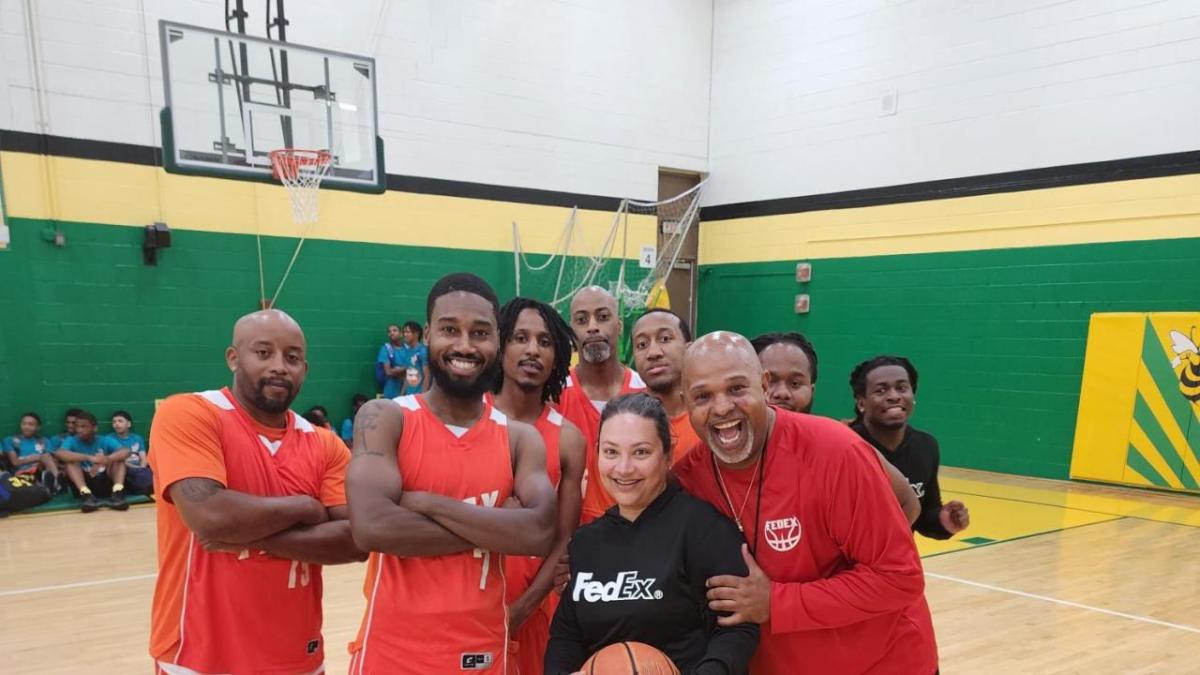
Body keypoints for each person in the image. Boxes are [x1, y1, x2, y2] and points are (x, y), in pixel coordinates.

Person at [674, 332, 938, 675]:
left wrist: (776, 602)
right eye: (703, 396)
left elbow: (899, 579)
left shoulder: (835, 451)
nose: (722, 407)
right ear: (686, 402)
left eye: (737, 388)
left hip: (883, 662)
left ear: (763, 384)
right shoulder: (687, 479)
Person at [346, 273, 557, 674]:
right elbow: (371, 527)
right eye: (449, 330)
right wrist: (500, 524)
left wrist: (425, 504)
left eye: (479, 333)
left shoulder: (519, 439)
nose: (464, 345)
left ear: (498, 339)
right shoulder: (385, 418)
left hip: (484, 652)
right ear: (427, 334)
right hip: (391, 655)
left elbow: (540, 532)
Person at [147, 309, 364, 675]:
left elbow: (355, 542)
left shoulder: (324, 444)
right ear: (234, 358)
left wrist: (249, 535)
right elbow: (209, 516)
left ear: (305, 370)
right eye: (263, 353)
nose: (280, 366)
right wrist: (304, 507)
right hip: (199, 656)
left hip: (299, 657)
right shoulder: (188, 414)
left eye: (292, 358)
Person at [545, 393, 758, 674]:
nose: (624, 468)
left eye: (641, 452)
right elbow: (566, 638)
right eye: (611, 452)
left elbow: (737, 629)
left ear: (668, 456)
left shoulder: (703, 529)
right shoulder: (586, 543)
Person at [490, 297, 587, 675]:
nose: (533, 349)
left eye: (545, 342)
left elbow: (564, 540)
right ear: (500, 347)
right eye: (520, 338)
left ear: (558, 355)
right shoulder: (471, 420)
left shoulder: (569, 439)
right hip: (468, 602)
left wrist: (519, 612)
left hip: (534, 611)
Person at [750, 333, 919, 525]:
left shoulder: (839, 446)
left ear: (811, 390)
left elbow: (908, 502)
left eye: (795, 383)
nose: (782, 393)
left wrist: (869, 553)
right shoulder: (729, 450)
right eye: (769, 382)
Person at [849, 355, 969, 540]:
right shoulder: (844, 445)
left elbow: (923, 515)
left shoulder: (926, 446)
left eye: (902, 388)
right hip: (844, 562)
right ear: (861, 402)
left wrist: (944, 522)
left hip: (896, 562)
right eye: (881, 390)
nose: (894, 396)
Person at [558, 286, 645, 522]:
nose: (592, 326)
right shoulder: (554, 395)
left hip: (634, 536)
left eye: (603, 317)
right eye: (581, 319)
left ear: (619, 326)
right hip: (570, 541)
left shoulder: (645, 392)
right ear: (571, 332)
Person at [631, 308, 702, 464]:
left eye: (665, 339)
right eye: (642, 344)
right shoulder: (623, 419)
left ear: (689, 348)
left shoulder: (710, 417)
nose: (653, 353)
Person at [56, 410, 131, 512]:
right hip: (85, 483)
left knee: (119, 460)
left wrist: (107, 459)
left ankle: (117, 493)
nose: (79, 430)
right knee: (70, 462)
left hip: (104, 483)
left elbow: (126, 451)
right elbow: (60, 453)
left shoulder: (104, 440)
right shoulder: (71, 440)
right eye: (77, 426)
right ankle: (86, 495)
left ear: (94, 428)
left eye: (83, 427)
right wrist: (88, 457)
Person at [5, 412, 61, 491]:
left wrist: (41, 460)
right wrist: (36, 458)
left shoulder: (45, 441)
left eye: (30, 424)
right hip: (22, 474)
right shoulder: (11, 440)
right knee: (45, 457)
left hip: (41, 470)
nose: (26, 427)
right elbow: (15, 462)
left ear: (38, 427)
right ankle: (57, 483)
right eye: (24, 424)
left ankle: (53, 481)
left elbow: (51, 460)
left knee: (48, 457)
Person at [378, 321, 430, 398]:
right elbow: (407, 375)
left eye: (408, 332)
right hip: (409, 396)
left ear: (416, 333)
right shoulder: (408, 352)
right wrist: (402, 395)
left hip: (419, 396)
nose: (405, 334)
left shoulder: (423, 351)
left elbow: (427, 375)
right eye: (404, 332)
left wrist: (423, 397)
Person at [109, 410, 153, 497]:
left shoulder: (137, 438)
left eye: (120, 421)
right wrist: (136, 468)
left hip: (140, 468)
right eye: (114, 422)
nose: (116, 424)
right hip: (124, 469)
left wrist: (142, 467)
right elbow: (115, 461)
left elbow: (143, 458)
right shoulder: (109, 439)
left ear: (128, 424)